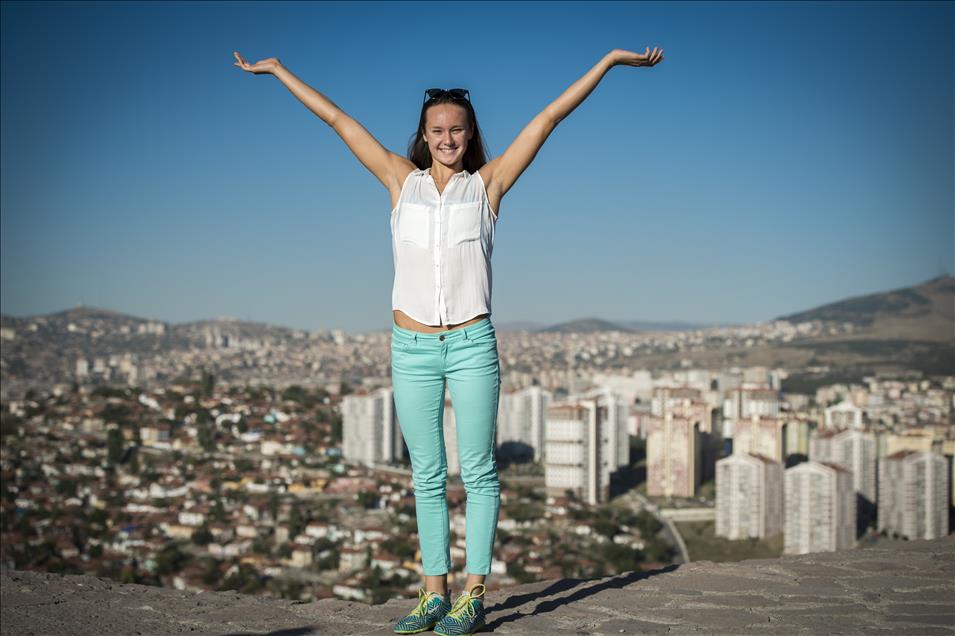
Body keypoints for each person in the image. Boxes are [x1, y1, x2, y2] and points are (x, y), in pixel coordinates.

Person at [233, 45, 664, 635]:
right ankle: (432, 593)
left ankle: (474, 593)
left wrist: (610, 61)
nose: (446, 138)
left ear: (469, 134)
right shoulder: (398, 183)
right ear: (424, 134)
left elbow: (547, 119)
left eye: (456, 129)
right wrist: (280, 72)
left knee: (479, 472)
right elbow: (338, 120)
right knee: (426, 475)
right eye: (437, 129)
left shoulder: (487, 188)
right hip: (409, 347)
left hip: (470, 344)